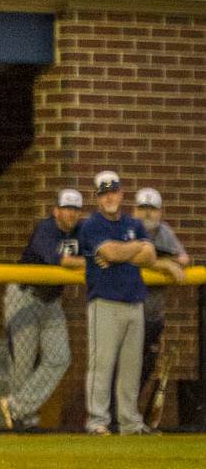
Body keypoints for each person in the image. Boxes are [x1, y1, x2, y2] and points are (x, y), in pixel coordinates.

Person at [0, 188, 85, 431]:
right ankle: (23, 420)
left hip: (51, 300)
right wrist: (88, 262)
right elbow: (56, 259)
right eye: (66, 209)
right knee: (22, 364)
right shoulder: (46, 228)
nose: (71, 214)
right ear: (56, 211)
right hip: (24, 296)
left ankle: (17, 407)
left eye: (75, 209)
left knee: (59, 358)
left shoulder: (83, 231)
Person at [77, 170, 156, 435]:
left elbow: (150, 256)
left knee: (131, 368)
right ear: (97, 198)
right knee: (102, 365)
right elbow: (110, 251)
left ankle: (129, 422)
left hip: (134, 301)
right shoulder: (91, 225)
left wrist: (121, 252)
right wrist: (132, 248)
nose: (109, 197)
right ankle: (97, 421)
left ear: (121, 194)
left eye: (113, 192)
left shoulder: (133, 223)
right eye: (104, 193)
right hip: (104, 302)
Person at [133, 187, 191, 403]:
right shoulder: (129, 229)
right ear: (135, 210)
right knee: (125, 365)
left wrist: (167, 262)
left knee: (147, 364)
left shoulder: (164, 231)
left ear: (160, 212)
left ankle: (128, 414)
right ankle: (115, 414)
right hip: (130, 311)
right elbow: (134, 258)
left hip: (153, 315)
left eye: (152, 209)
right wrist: (164, 263)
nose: (147, 213)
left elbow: (184, 259)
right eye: (143, 208)